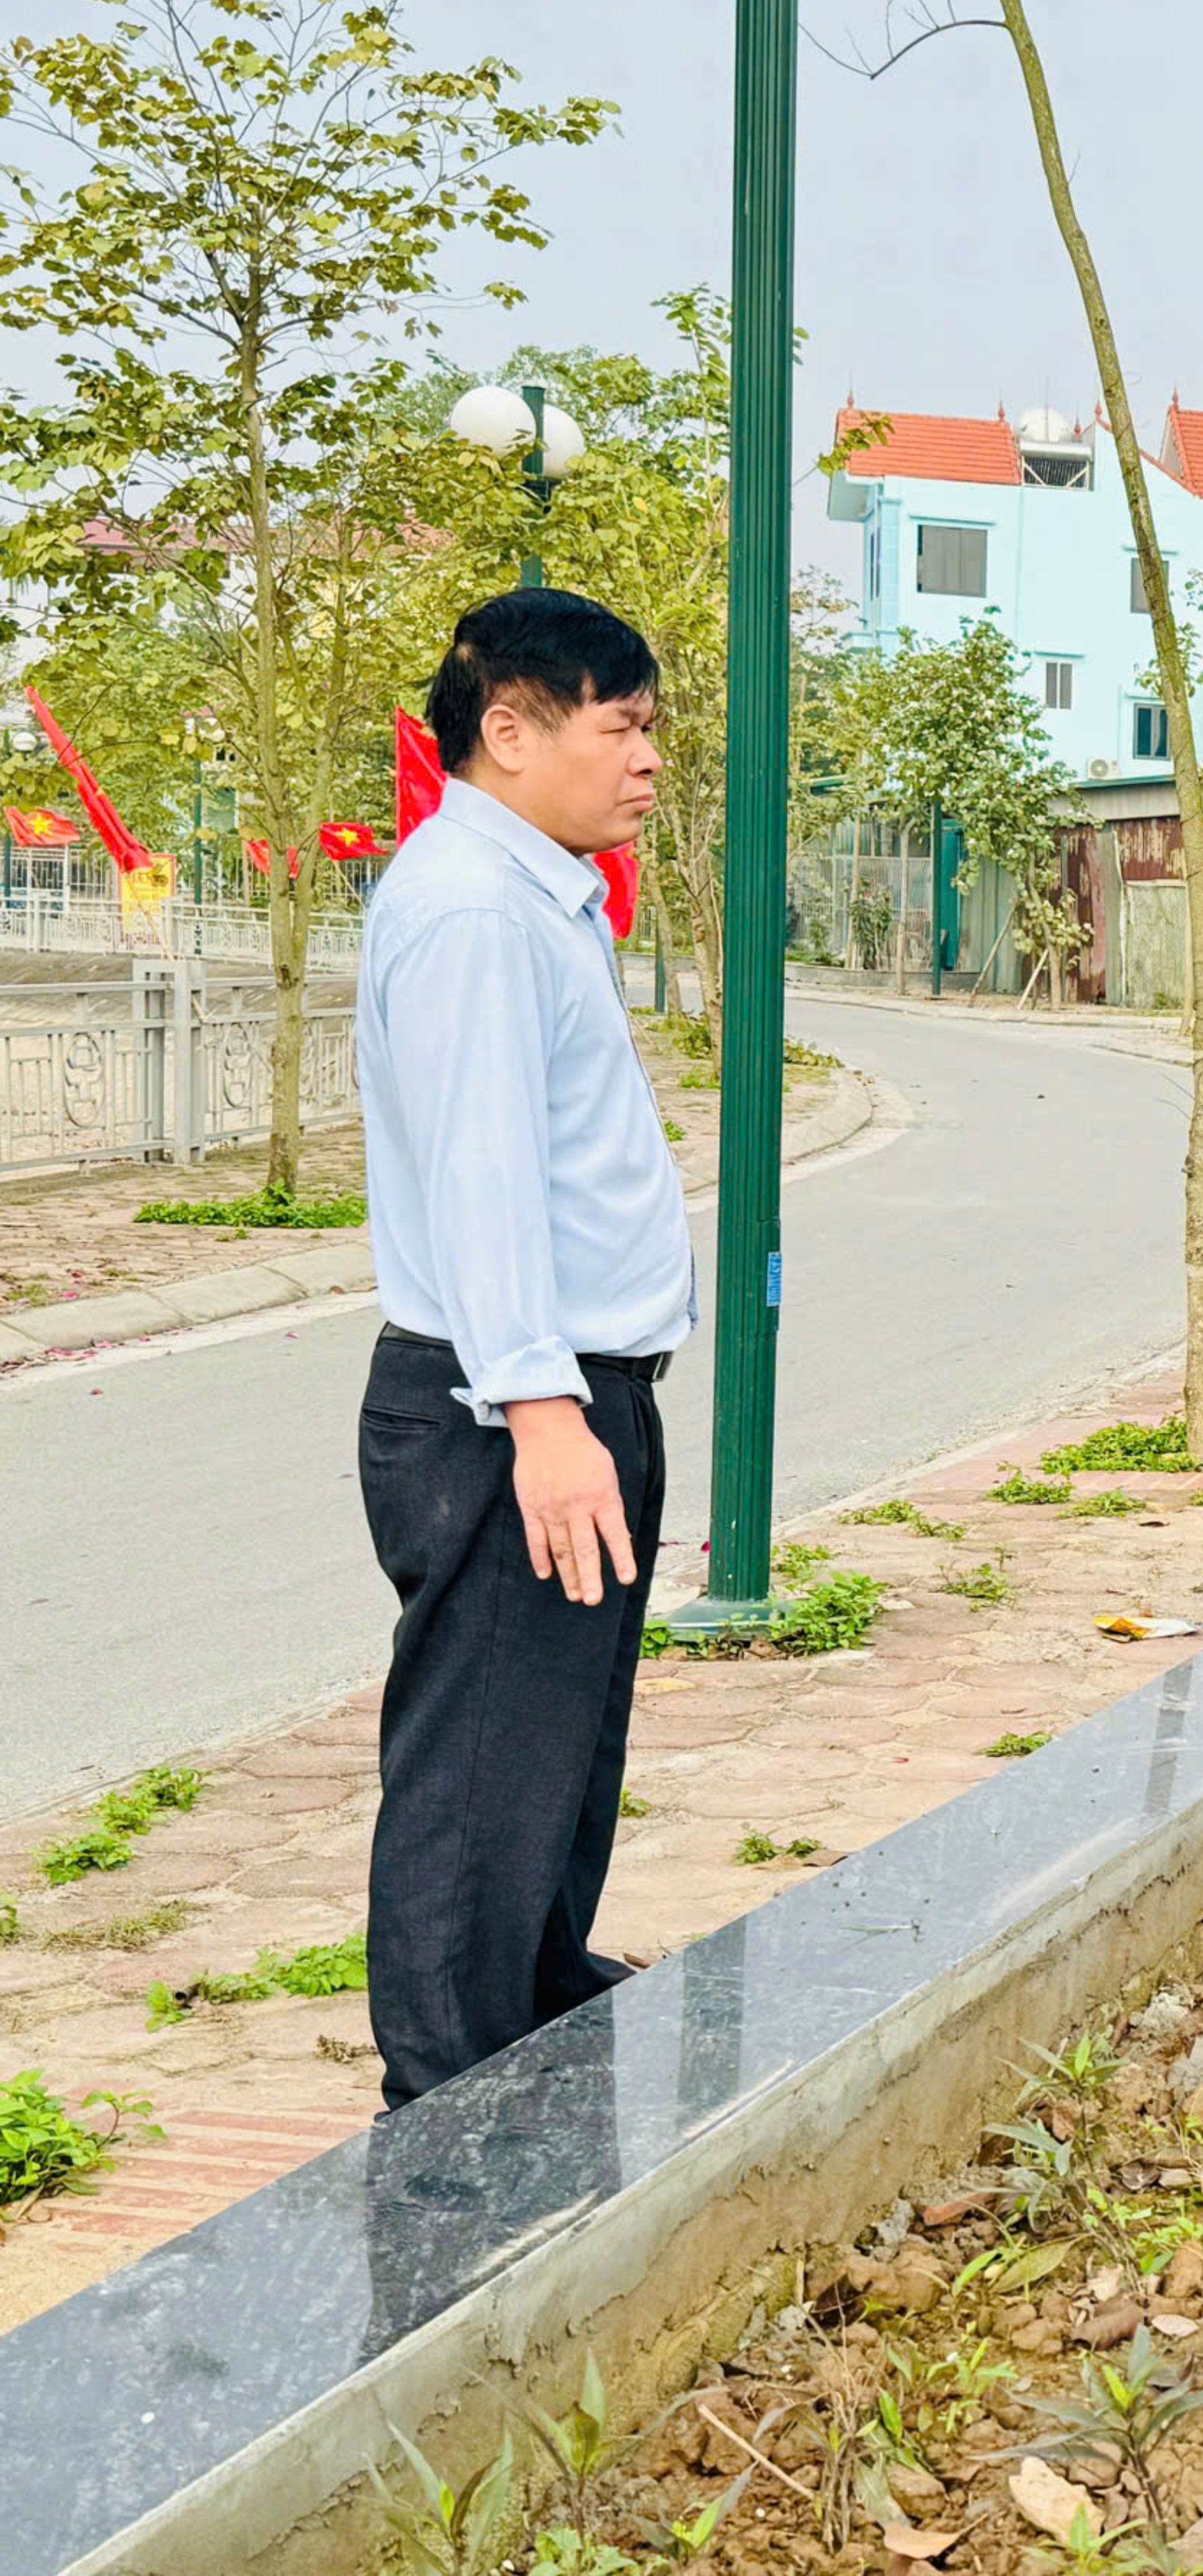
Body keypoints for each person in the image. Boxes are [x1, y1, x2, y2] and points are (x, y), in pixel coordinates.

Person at [354, 588, 689, 2110]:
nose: (648, 762)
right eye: (621, 728)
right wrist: (546, 1416)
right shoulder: (477, 912)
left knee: (556, 1755)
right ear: (512, 727)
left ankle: (540, 2014)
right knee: (482, 1767)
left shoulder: (531, 892)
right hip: (508, 1414)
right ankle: (443, 2100)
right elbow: (481, 1181)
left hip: (560, 1398)